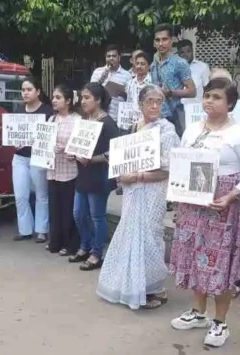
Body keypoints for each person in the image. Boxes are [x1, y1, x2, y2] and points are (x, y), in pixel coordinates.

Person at [169, 77, 240, 348]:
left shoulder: (239, 134)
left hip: (224, 207)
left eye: (217, 97)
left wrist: (231, 196)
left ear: (230, 103)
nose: (209, 101)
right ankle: (198, 312)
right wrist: (178, 198)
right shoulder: (192, 129)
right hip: (193, 206)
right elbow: (182, 163)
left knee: (220, 262)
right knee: (195, 258)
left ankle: (220, 322)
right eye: (207, 95)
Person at [97, 84, 181, 310]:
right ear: (140, 104)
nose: (155, 106)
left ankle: (154, 288)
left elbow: (168, 169)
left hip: (153, 191)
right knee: (130, 234)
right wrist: (122, 176)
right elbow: (126, 160)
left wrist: (138, 176)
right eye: (150, 101)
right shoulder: (135, 127)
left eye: (159, 102)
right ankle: (132, 285)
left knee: (149, 236)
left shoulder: (167, 130)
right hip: (133, 191)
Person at [69, 82, 121, 270]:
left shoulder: (108, 123)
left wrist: (93, 159)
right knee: (78, 214)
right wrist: (72, 153)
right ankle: (85, 245)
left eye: (87, 97)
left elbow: (115, 151)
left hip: (99, 176)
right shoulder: (85, 122)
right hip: (83, 175)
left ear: (98, 100)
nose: (82, 101)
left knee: (97, 216)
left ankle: (97, 253)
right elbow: (78, 146)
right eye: (82, 97)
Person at [12, 78, 54, 243]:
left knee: (41, 194)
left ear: (38, 92)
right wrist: (14, 142)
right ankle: (25, 230)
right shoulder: (17, 111)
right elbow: (12, 134)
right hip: (20, 157)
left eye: (29, 89)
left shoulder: (48, 112)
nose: (25, 93)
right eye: (23, 90)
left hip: (39, 158)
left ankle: (42, 230)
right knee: (20, 195)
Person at [45, 84, 81, 255]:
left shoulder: (77, 121)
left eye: (58, 97)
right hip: (52, 171)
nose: (54, 100)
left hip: (69, 171)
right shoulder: (51, 120)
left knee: (68, 210)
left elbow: (81, 146)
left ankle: (69, 244)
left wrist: (68, 150)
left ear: (68, 101)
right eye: (53, 97)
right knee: (54, 208)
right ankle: (55, 241)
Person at [150, 23, 196, 136]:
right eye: (158, 40)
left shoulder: (180, 63)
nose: (161, 43)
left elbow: (192, 91)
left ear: (171, 41)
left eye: (164, 39)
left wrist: (170, 93)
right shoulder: (153, 65)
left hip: (174, 115)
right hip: (157, 115)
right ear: (154, 43)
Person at [90, 44, 132, 120]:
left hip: (117, 115)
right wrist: (101, 79)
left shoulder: (127, 75)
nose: (111, 58)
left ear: (119, 58)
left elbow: (130, 97)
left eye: (114, 56)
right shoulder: (97, 72)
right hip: (99, 116)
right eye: (108, 56)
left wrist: (123, 93)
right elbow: (91, 92)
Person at [176, 40, 211, 105]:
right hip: (178, 110)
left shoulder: (203, 67)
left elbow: (208, 90)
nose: (186, 55)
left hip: (196, 110)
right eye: (182, 52)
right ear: (178, 54)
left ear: (192, 51)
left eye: (188, 51)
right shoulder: (173, 69)